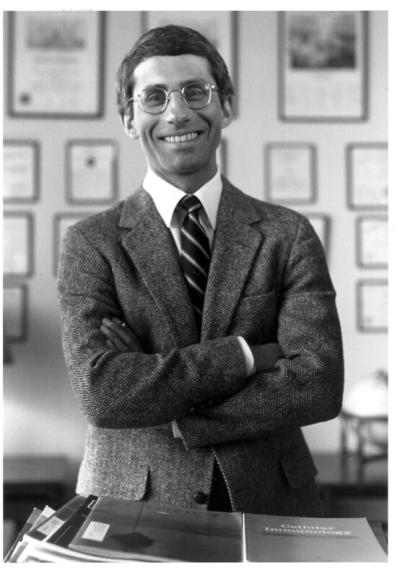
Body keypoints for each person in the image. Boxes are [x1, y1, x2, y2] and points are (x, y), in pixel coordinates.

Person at [58, 24, 344, 516]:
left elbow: (318, 384)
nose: (177, 112)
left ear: (225, 106)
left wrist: (173, 405)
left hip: (270, 500)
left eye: (196, 92)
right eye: (154, 97)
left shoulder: (287, 233)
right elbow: (103, 393)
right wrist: (247, 356)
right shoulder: (90, 243)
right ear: (129, 118)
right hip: (131, 504)